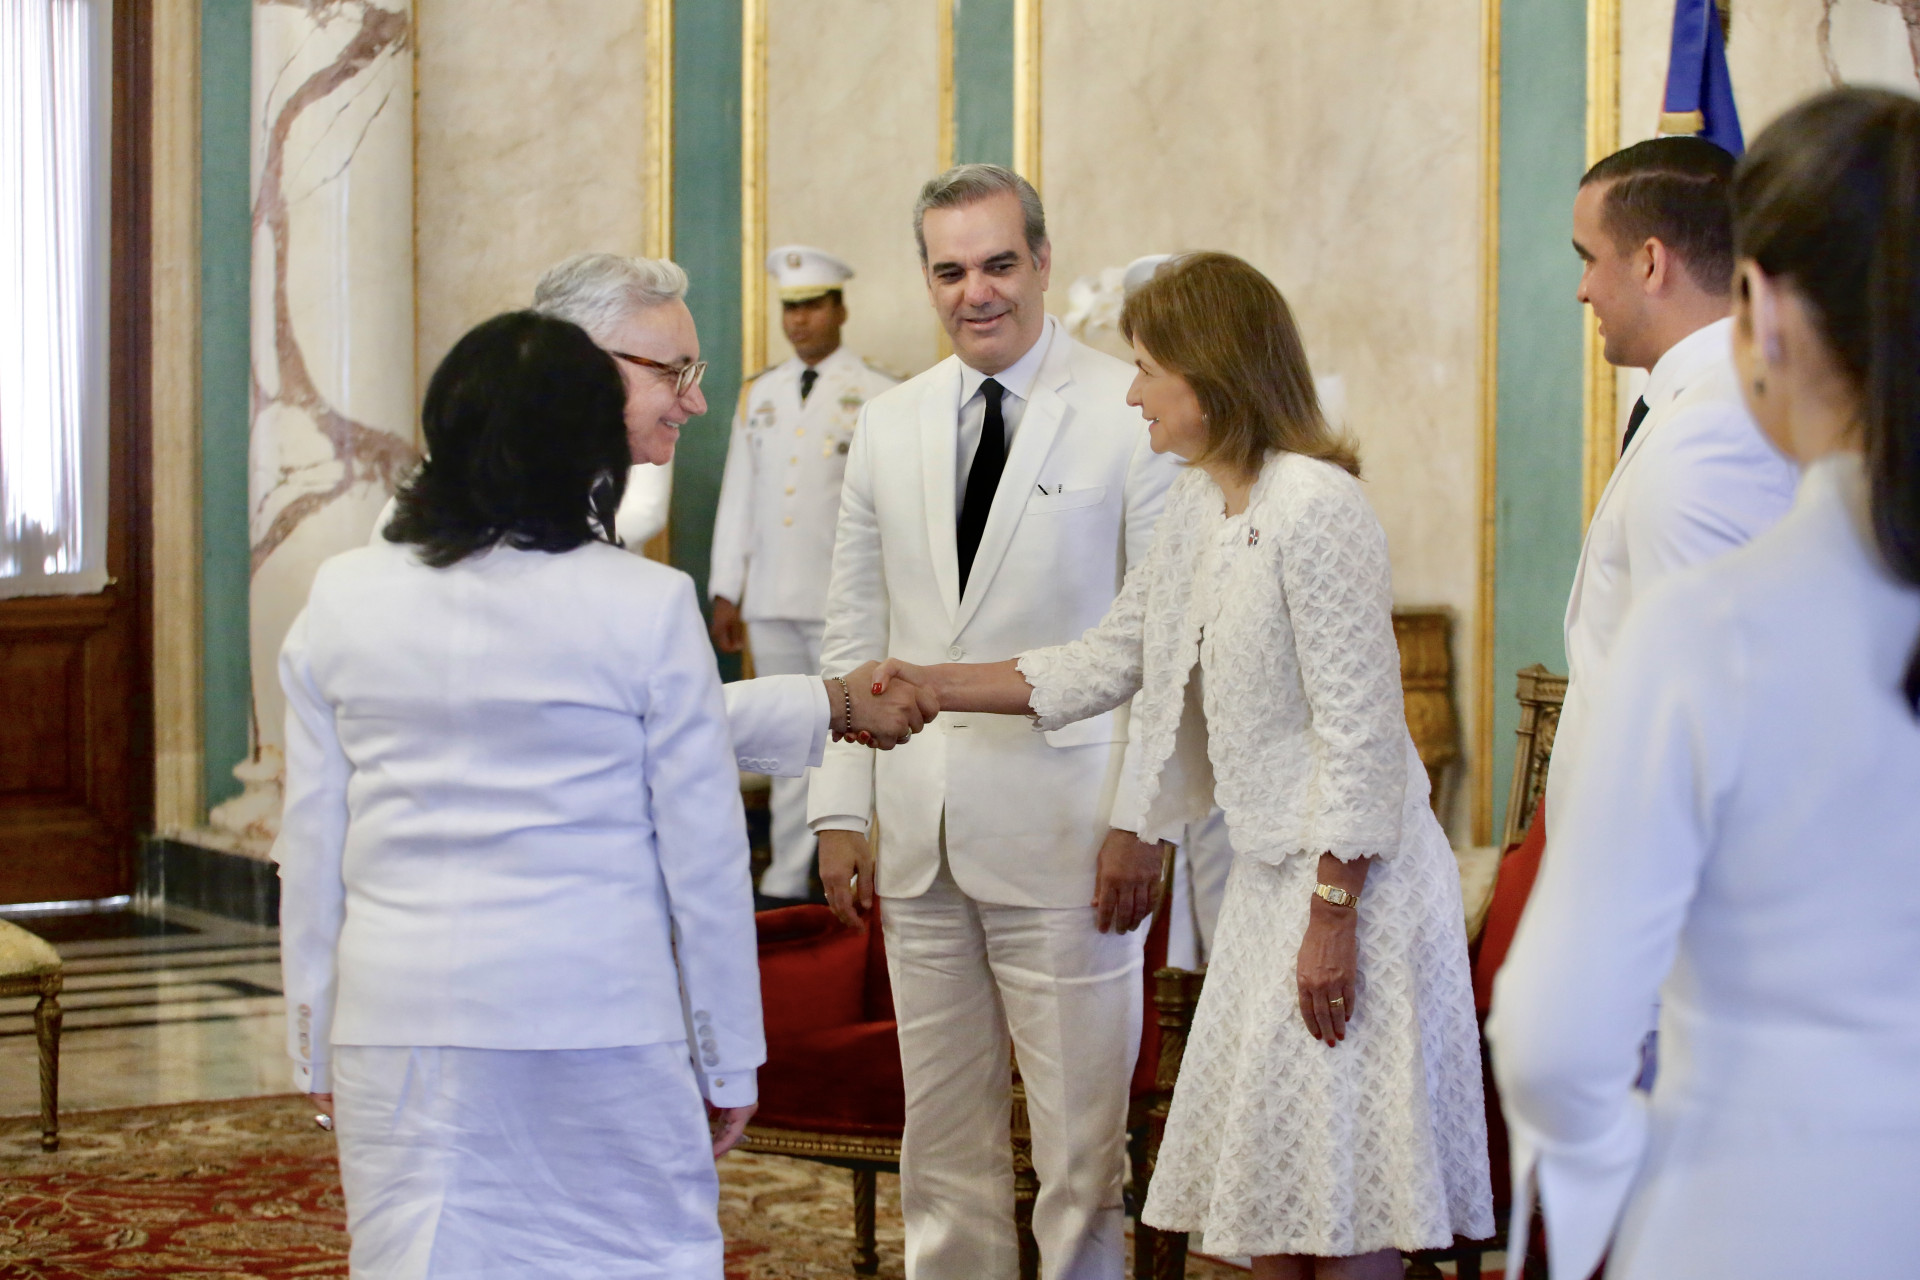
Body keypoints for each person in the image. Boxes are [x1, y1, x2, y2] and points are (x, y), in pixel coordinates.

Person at [874, 252, 1494, 1279]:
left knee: (1344, 1206)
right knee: (1275, 1197)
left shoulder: (1316, 505)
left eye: (1148, 368)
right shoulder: (1201, 510)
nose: (1133, 394)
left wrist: (1333, 914)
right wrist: (933, 684)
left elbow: (1364, 735)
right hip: (1270, 880)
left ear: (1210, 373)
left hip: (1354, 887)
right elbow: (1104, 659)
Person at [1487, 86, 1920, 1280]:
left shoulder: (1714, 625)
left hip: (1754, 1203)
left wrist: (1611, 1180)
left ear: (1762, 307)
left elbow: (1555, 1035)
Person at [276, 311, 763, 1276]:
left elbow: (313, 841)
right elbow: (703, 857)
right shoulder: (646, 604)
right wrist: (727, 1051)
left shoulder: (342, 595)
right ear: (592, 449)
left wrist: (311, 1034)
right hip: (598, 1013)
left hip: (398, 1015)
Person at [807, 164, 1180, 1279]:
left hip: (1074, 835)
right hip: (919, 832)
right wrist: (840, 806)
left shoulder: (1128, 409)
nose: (977, 292)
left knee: (1081, 1151)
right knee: (941, 1139)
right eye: (951, 271)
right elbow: (851, 627)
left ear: (1044, 261)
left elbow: (1165, 645)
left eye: (999, 263)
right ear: (927, 279)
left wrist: (1144, 819)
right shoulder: (889, 422)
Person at [370, 252, 938, 772]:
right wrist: (834, 702)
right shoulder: (478, 506)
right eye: (673, 372)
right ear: (585, 361)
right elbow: (625, 721)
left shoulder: (568, 485)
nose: (697, 402)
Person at [1551, 138, 1800, 854]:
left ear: (1651, 262)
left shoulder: (1708, 437)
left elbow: (1708, 719)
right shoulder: (1711, 403)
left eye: (1589, 258)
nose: (1583, 290)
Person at [710, 246, 901, 907]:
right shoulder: (759, 394)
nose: (799, 320)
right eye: (790, 308)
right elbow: (739, 494)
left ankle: (854, 867)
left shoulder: (878, 391)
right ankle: (787, 876)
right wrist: (726, 587)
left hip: (844, 600)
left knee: (850, 736)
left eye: (813, 305)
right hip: (771, 594)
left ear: (839, 309)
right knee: (784, 736)